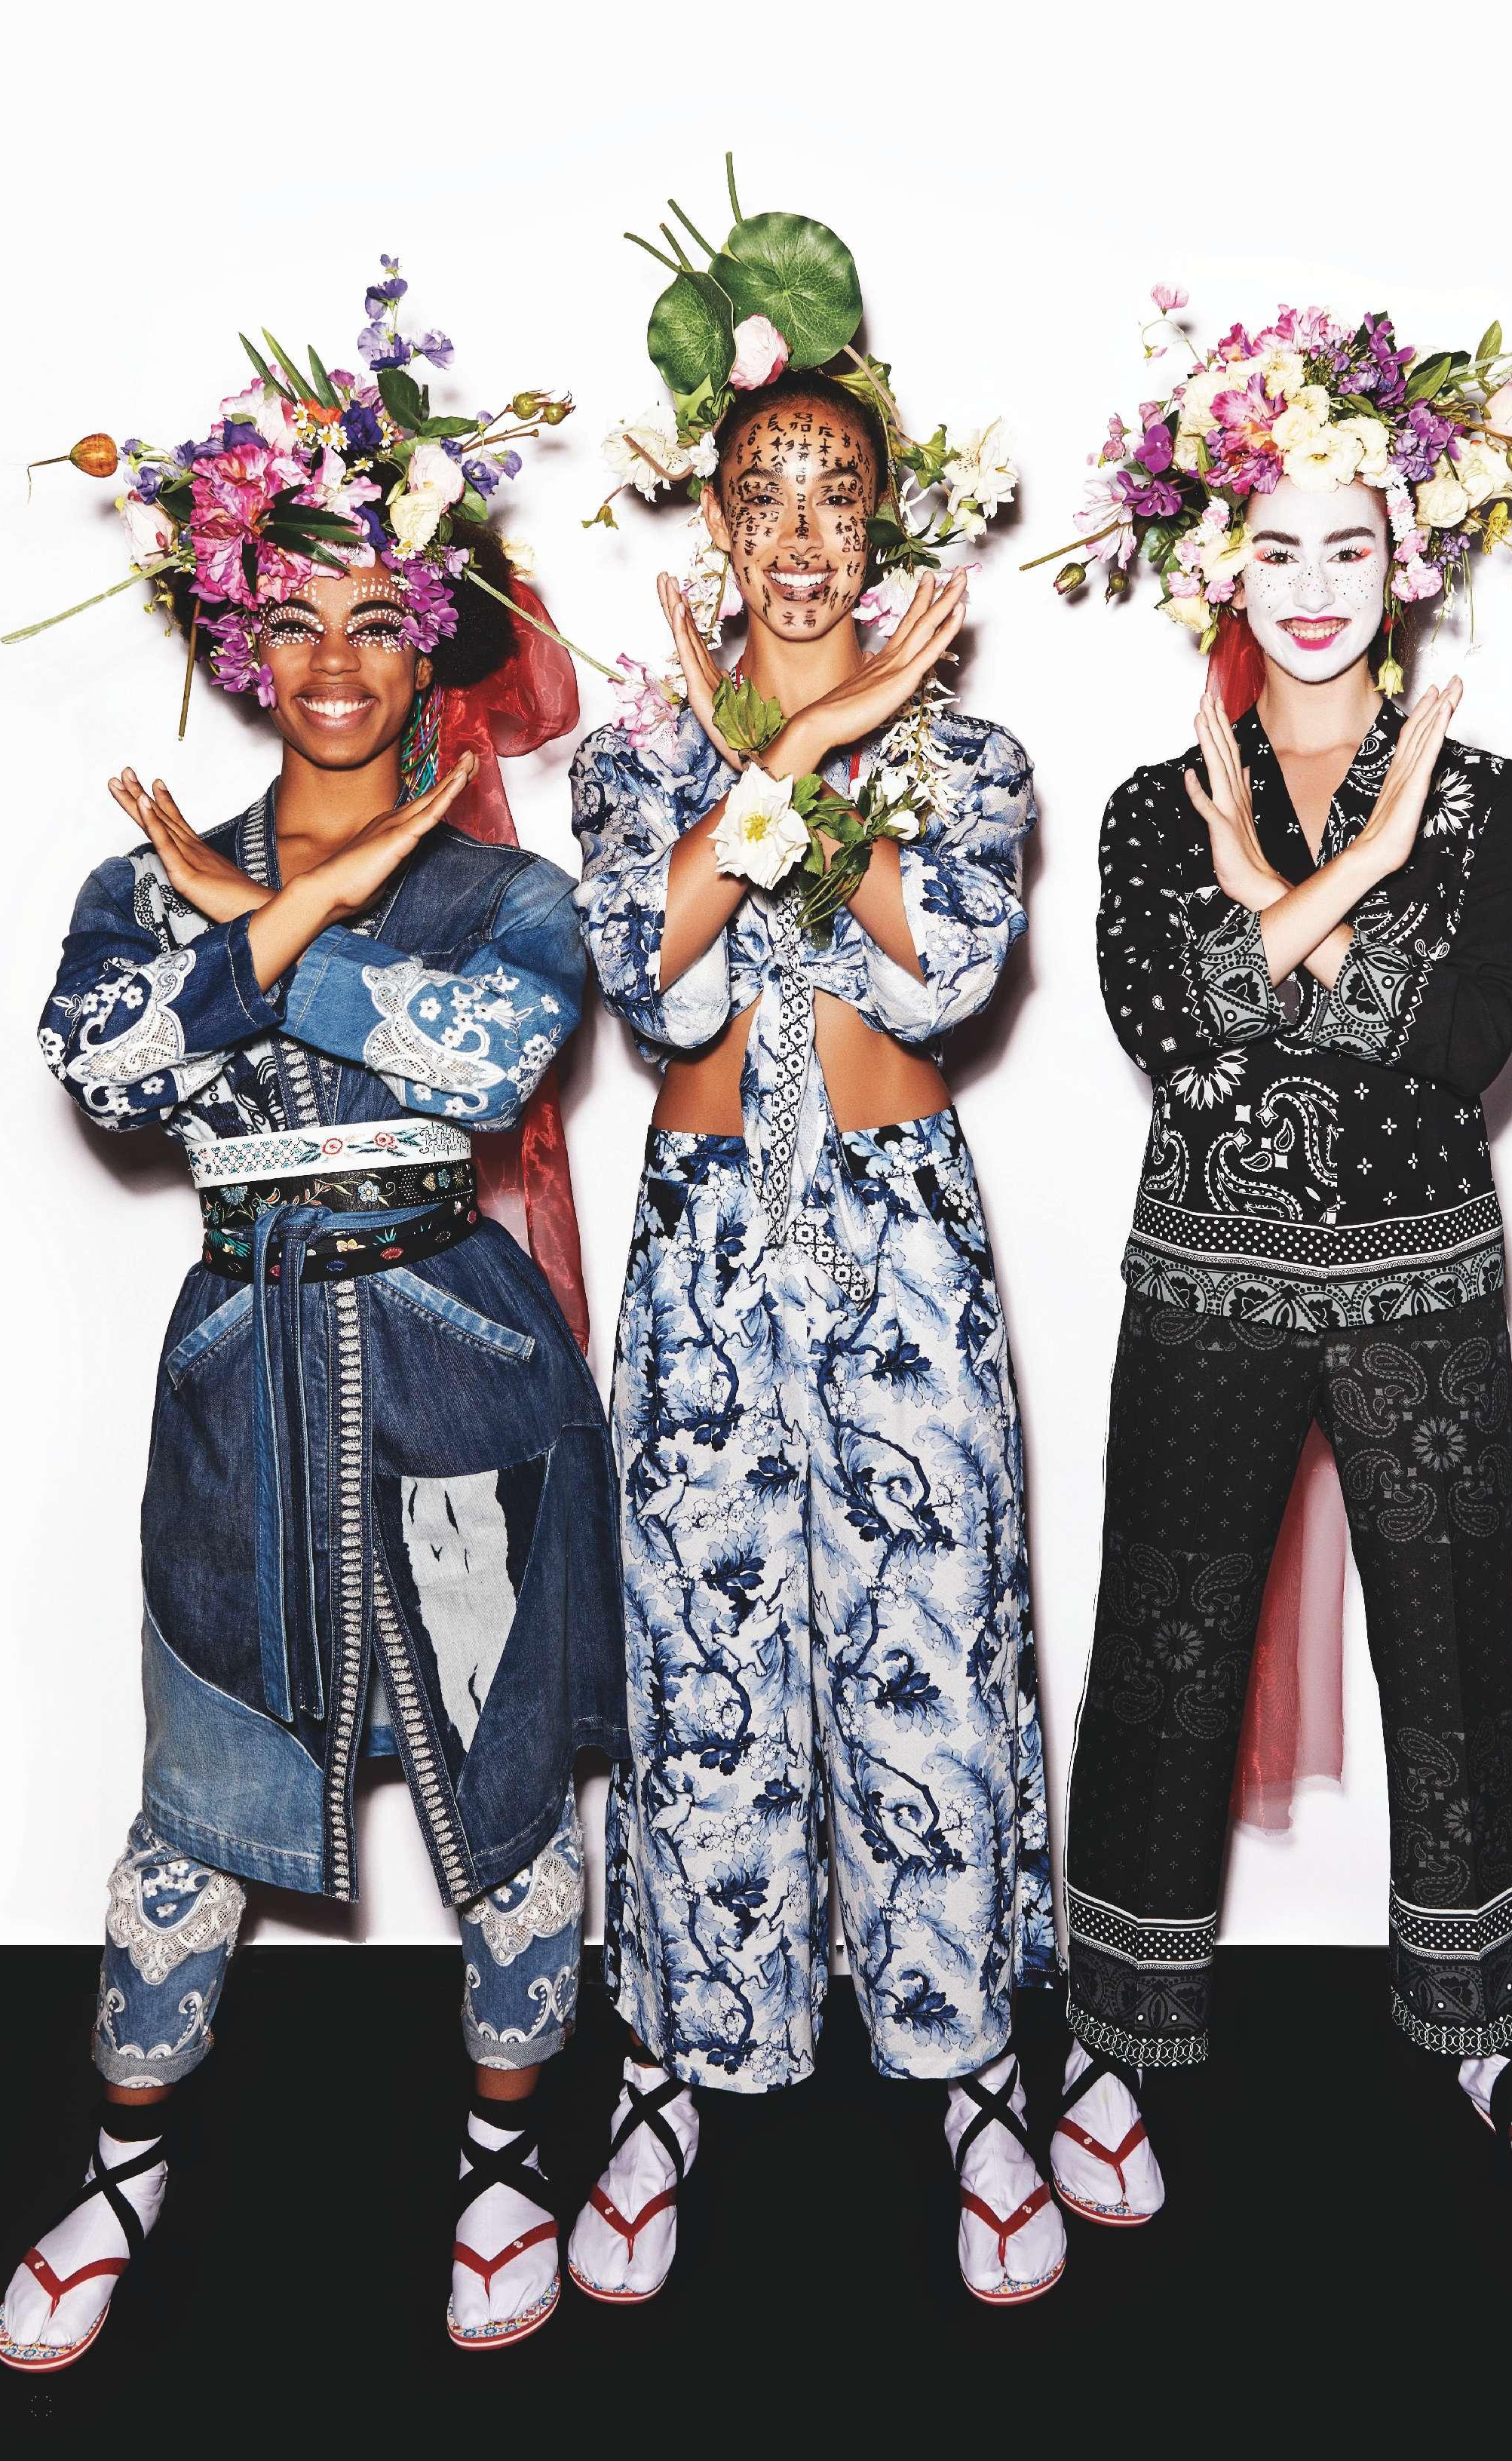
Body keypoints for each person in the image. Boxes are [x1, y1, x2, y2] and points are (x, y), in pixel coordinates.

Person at [0, 269, 626, 2369]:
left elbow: (484, 1062)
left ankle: (505, 2155)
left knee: (502, 1798)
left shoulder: (514, 895)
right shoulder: (131, 880)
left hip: (466, 1372)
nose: (336, 660)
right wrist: (299, 912)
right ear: (238, 643)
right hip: (238, 1379)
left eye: (378, 619)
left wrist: (264, 935)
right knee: (195, 1804)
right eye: (296, 620)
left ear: (432, 639)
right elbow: (104, 1069)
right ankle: (120, 2164)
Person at [1038, 294, 1512, 2240]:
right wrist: (1359, 878)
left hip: (1420, 1293)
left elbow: (1452, 1042)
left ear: (1408, 564)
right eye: (1275, 547)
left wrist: (1287, 905)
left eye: (1350, 547)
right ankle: (1113, 2039)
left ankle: (1495, 2036)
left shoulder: (1489, 795)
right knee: (1162, 1656)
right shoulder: (1152, 809)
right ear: (1225, 560)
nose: (1311, 589)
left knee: (1455, 1667)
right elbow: (1174, 1032)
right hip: (1202, 1293)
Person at [566, 167, 1061, 2303]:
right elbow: (650, 970)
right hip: (702, 1239)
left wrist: (825, 743)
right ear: (715, 519)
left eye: (833, 497)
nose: (795, 534)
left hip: (897, 1238)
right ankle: (678, 2066)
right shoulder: (629, 765)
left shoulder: (979, 756)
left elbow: (941, 967)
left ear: (883, 526)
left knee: (928, 1638)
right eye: (759, 494)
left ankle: (974, 2070)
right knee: (700, 1658)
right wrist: (778, 753)